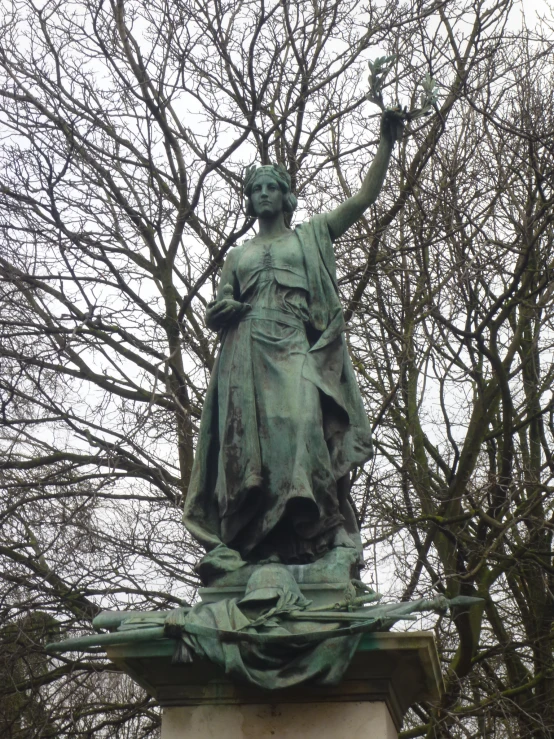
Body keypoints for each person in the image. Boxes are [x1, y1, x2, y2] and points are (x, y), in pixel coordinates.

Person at [183, 110, 404, 581]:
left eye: (270, 187)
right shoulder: (237, 256)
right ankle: (254, 544)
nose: (262, 194)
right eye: (255, 189)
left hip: (293, 347)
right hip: (244, 355)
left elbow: (364, 199)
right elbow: (219, 306)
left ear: (286, 197)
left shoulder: (311, 236)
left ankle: (319, 533)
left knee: (305, 430)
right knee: (249, 456)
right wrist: (221, 309)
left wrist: (385, 144)